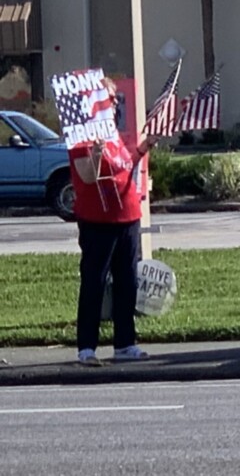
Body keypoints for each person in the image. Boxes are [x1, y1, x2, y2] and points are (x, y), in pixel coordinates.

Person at [71, 76, 158, 366]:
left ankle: (125, 343)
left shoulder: (114, 136)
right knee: (94, 282)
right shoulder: (82, 138)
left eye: (116, 98)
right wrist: (95, 152)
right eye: (110, 97)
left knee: (127, 281)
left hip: (127, 216)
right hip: (98, 221)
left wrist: (143, 149)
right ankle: (87, 347)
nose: (115, 103)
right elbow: (87, 176)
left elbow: (124, 164)